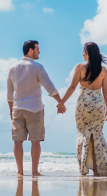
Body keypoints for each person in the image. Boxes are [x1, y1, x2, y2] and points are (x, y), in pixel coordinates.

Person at [7, 40, 66, 177]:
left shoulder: (13, 68)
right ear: (31, 50)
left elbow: (9, 94)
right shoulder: (38, 67)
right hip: (35, 109)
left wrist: (11, 110)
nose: (39, 52)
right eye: (37, 49)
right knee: (35, 140)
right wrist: (60, 102)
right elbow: (49, 87)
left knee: (18, 140)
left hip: (18, 108)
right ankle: (34, 171)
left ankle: (20, 171)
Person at [58, 42, 107, 176]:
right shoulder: (103, 71)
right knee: (97, 136)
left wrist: (62, 102)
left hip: (84, 105)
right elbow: (105, 92)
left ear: (88, 53)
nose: (82, 54)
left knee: (83, 135)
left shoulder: (80, 67)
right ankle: (98, 169)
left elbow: (72, 87)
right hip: (99, 105)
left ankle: (83, 168)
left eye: (83, 51)